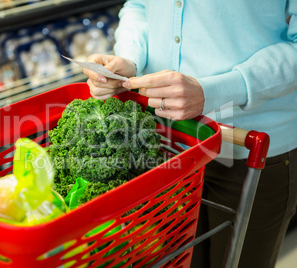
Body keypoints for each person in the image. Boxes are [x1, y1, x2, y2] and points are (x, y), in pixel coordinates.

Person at [83, 1, 297, 267]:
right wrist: (128, 58)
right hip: (165, 145)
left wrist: (216, 91)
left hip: (249, 149)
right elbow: (138, 6)